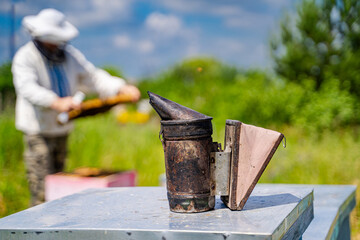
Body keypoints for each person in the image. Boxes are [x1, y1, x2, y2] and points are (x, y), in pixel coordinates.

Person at [12, 8, 140, 206]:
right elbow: (27, 88)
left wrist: (121, 87)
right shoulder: (25, 57)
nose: (56, 45)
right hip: (38, 131)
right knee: (41, 190)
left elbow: (93, 77)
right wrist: (56, 101)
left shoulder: (69, 56)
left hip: (62, 130)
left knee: (57, 188)